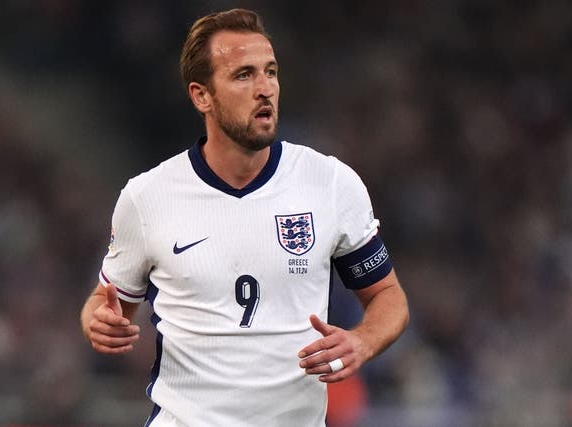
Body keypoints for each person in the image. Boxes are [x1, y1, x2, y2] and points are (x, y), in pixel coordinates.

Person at [80, 8, 409, 427]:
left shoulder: (329, 183)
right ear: (202, 96)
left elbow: (388, 296)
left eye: (270, 72)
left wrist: (362, 341)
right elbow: (106, 303)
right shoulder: (147, 197)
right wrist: (101, 323)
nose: (265, 88)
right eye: (243, 75)